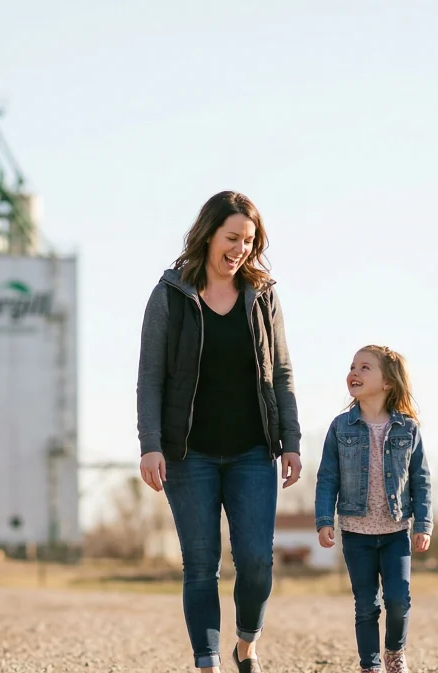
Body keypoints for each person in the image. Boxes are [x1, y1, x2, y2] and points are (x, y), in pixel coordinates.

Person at [136, 190, 303, 673]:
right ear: (208, 234)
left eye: (249, 241)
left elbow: (282, 373)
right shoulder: (171, 294)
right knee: (200, 565)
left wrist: (291, 440)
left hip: (253, 451)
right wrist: (150, 445)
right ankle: (207, 663)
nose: (240, 249)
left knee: (256, 561)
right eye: (232, 238)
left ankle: (246, 644)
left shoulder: (263, 295)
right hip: (189, 455)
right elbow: (150, 375)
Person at [315, 345, 433, 673]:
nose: (354, 372)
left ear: (387, 383)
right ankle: (370, 665)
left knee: (398, 599)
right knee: (366, 605)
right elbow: (327, 477)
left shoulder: (408, 429)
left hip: (396, 532)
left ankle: (394, 651)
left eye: (365, 367)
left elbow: (421, 480)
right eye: (353, 366)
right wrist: (324, 520)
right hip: (356, 533)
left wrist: (424, 523)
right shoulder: (340, 427)